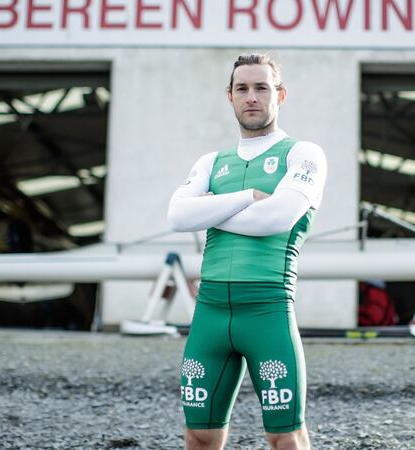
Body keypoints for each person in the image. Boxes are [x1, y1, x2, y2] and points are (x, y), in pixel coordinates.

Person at [167, 54, 327, 450]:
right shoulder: (211, 161)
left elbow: (276, 219)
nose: (251, 97)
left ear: (281, 95)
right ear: (230, 96)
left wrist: (209, 209)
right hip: (210, 312)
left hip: (267, 308)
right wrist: (248, 197)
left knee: (285, 437)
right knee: (199, 436)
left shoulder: (304, 154)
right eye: (242, 88)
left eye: (262, 87)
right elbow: (176, 216)